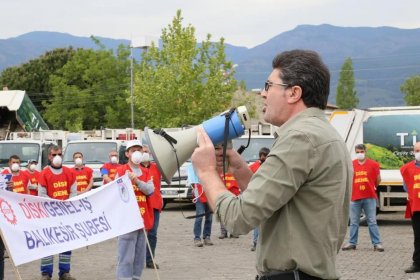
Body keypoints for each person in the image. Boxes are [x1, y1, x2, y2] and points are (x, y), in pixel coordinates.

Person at [191, 49, 352, 279]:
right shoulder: (323, 133)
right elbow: (272, 200)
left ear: (294, 93)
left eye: (268, 86)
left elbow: (237, 218)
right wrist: (238, 167)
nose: (263, 94)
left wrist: (206, 171)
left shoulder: (299, 138)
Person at [115, 140, 154, 280]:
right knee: (125, 256)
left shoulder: (147, 171)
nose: (137, 153)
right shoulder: (120, 171)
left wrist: (136, 180)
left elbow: (150, 190)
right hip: (127, 221)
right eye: (133, 150)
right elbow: (116, 193)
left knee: (139, 258)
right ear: (127, 154)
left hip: (144, 220)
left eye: (139, 150)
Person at [38, 145, 77, 280]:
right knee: (48, 243)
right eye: (54, 155)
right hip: (49, 214)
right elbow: (41, 194)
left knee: (66, 243)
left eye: (59, 154)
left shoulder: (70, 172)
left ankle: (65, 272)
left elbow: (74, 192)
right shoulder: (44, 173)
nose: (57, 157)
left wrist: (66, 203)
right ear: (49, 156)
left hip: (65, 214)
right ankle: (46, 273)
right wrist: (55, 204)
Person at [342, 144, 384, 252]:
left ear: (365, 151)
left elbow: (378, 179)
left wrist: (372, 186)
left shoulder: (374, 164)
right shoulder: (351, 165)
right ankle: (352, 243)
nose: (359, 153)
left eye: (361, 151)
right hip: (355, 197)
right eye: (357, 152)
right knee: (354, 222)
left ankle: (377, 243)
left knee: (372, 221)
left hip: (369, 197)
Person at [141, 146, 163, 269]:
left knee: (152, 234)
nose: (146, 154)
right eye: (143, 152)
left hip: (154, 204)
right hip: (141, 205)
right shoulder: (136, 169)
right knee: (138, 234)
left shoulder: (157, 168)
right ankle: (136, 259)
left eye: (148, 152)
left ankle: (150, 260)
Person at [401, 142, 420, 273]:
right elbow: (405, 186)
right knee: (418, 237)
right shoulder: (407, 168)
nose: (418, 152)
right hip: (417, 208)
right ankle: (417, 263)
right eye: (417, 150)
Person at [187, 163, 214, 247]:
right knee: (199, 215)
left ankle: (207, 236)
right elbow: (192, 178)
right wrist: (194, 189)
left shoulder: (210, 163)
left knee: (209, 216)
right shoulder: (193, 165)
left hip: (209, 191)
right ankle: (197, 238)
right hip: (199, 191)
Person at [248, 147, 270, 251]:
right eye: (261, 155)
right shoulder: (254, 167)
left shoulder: (272, 166)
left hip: (268, 197)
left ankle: (265, 243)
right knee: (257, 222)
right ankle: (255, 242)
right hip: (256, 197)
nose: (262, 157)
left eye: (264, 155)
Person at [218, 171, 240, 239]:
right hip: (223, 194)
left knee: (233, 214)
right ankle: (223, 232)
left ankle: (233, 232)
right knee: (223, 213)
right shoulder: (220, 170)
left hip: (234, 193)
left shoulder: (234, 169)